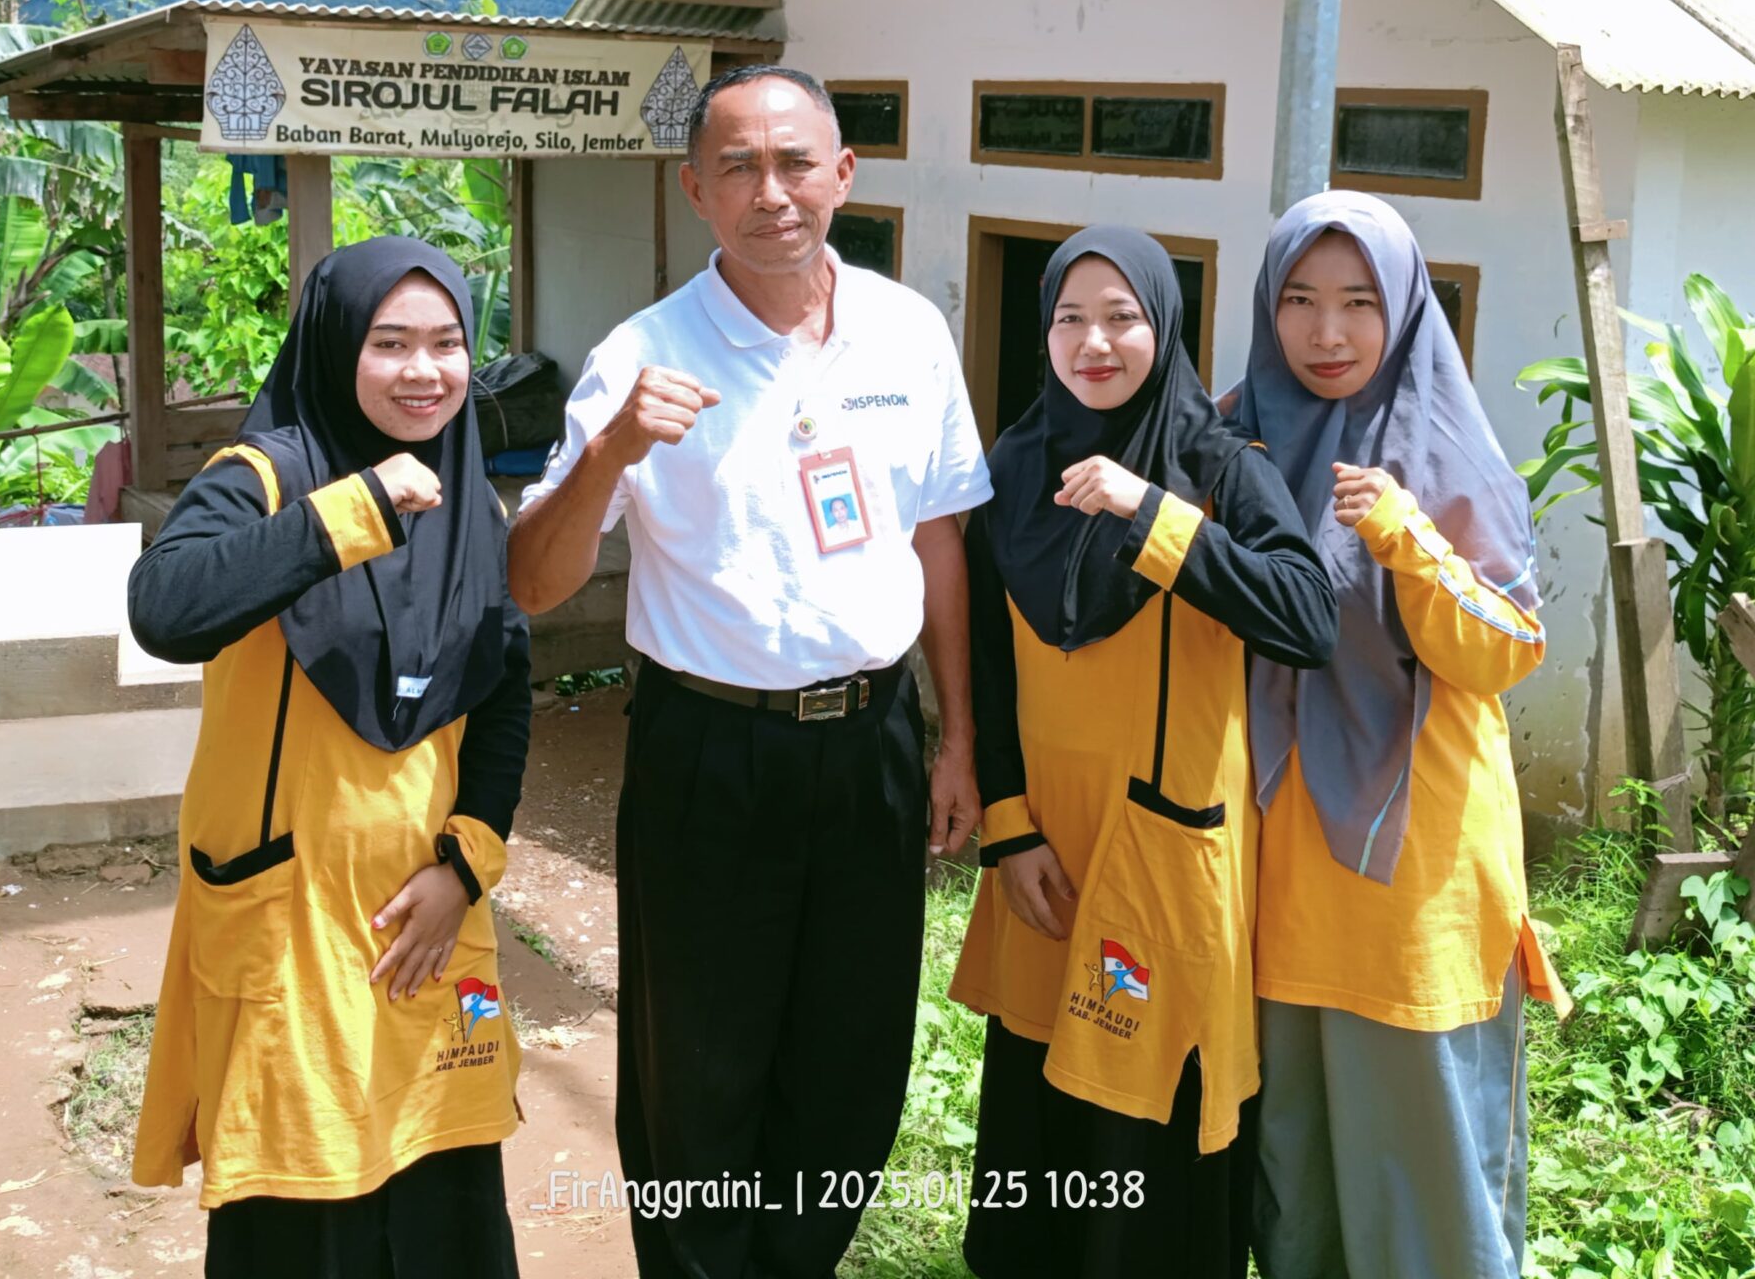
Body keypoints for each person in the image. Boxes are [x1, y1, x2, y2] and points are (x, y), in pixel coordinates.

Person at [508, 65, 991, 1278]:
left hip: (874, 742)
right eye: (737, 166)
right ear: (694, 190)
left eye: (793, 164)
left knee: (853, 1054)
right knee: (700, 1069)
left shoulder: (909, 332)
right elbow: (533, 582)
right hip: (709, 753)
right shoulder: (640, 355)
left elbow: (938, 538)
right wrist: (610, 452)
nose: (769, 192)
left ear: (843, 176)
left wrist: (957, 739)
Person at [126, 237, 532, 1278]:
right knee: (303, 1210)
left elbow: (502, 692)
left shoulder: (470, 498)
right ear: (335, 345)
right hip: (289, 927)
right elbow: (168, 611)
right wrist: (354, 510)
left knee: (446, 1191)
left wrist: (464, 864)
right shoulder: (261, 476)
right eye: (388, 342)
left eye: (446, 343)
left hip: (429, 924)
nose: (423, 370)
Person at [951, 228, 1336, 1279]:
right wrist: (1006, 826)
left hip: (1168, 843)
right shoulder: (1015, 466)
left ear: (1163, 328)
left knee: (1155, 1100)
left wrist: (1153, 516)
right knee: (1040, 1088)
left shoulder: (1217, 466)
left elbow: (1305, 617)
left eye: (1121, 316)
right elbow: (988, 666)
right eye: (1070, 318)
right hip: (1049, 845)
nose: (1095, 343)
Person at [1232, 192, 1566, 1279]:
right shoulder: (1236, 432)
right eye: (1299, 301)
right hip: (1276, 857)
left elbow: (1502, 651)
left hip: (1411, 861)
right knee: (1297, 1139)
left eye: (1358, 304)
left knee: (1422, 1145)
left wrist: (1405, 538)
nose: (1326, 335)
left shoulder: (1440, 449)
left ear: (1407, 309)